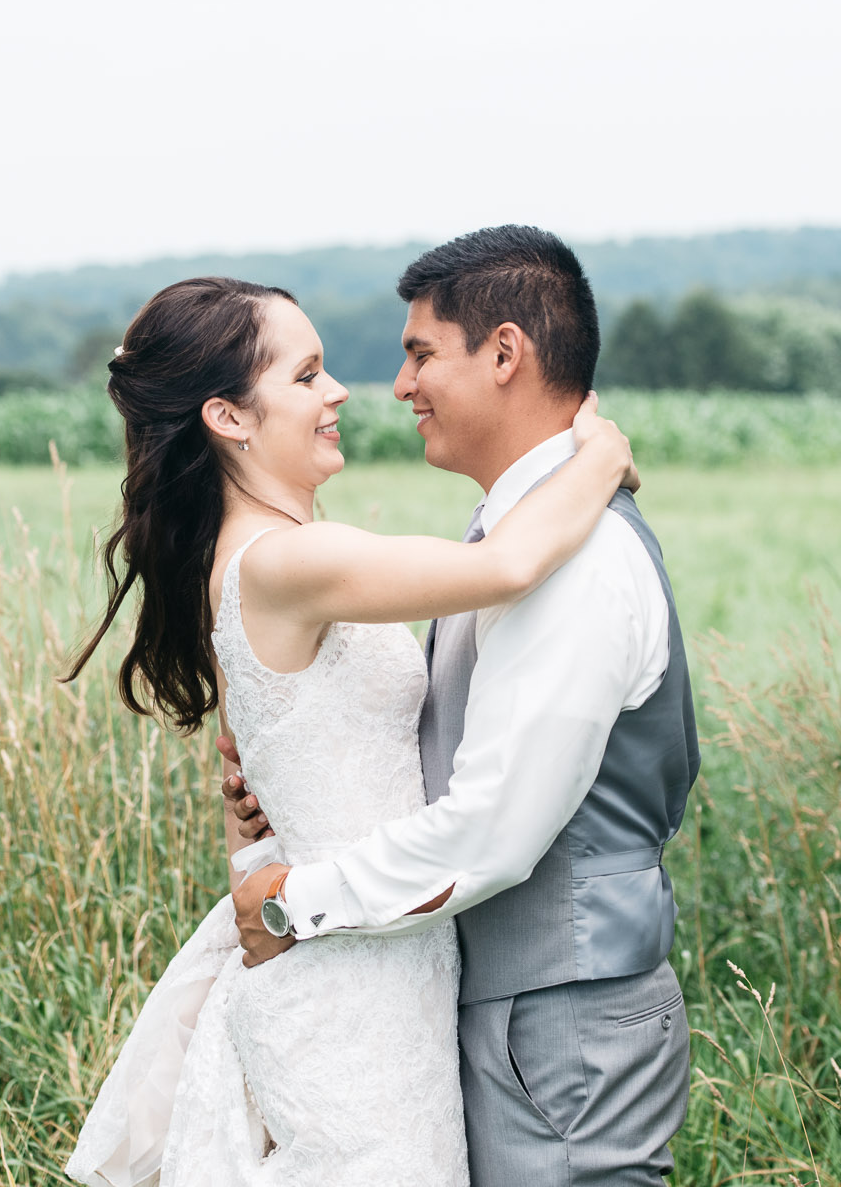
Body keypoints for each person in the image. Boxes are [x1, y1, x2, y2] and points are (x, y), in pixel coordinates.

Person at [62, 270, 639, 1186]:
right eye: (305, 376)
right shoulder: (289, 560)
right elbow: (513, 562)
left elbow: (260, 780)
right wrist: (599, 459)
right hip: (349, 987)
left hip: (376, 954)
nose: (338, 393)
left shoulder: (260, 559)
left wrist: (255, 836)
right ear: (229, 417)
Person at [226, 225, 700, 1186]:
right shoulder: (520, 535)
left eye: (419, 353)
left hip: (565, 1024)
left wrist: (294, 902)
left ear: (505, 353)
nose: (398, 386)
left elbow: (492, 831)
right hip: (506, 1010)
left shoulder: (580, 561)